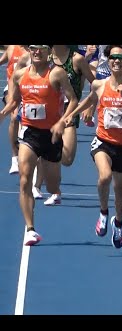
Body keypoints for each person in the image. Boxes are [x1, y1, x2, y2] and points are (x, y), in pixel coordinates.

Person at [63, 45, 122, 249]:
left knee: (121, 189)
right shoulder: (99, 84)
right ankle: (103, 212)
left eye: (121, 57)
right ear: (108, 60)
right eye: (113, 57)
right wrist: (72, 114)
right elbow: (90, 99)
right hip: (103, 141)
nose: (116, 60)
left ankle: (119, 223)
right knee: (105, 176)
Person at [0, 45, 78, 246]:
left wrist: (62, 121)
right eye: (33, 48)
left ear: (48, 52)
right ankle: (30, 229)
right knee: (25, 179)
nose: (37, 52)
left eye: (41, 48)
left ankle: (54, 188)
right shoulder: (19, 75)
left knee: (52, 185)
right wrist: (2, 113)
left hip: (51, 135)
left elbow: (73, 99)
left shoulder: (57, 74)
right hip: (30, 133)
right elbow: (14, 101)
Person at [33, 45, 96, 206]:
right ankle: (41, 187)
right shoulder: (45, 59)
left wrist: (90, 106)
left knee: (67, 158)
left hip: (68, 115)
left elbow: (96, 85)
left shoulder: (76, 60)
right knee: (42, 149)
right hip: (46, 115)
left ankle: (48, 164)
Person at [1, 45, 29, 174]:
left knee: (27, 123)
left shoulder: (37, 51)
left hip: (30, 89)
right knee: (14, 117)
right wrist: (12, 97)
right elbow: (2, 61)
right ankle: (14, 157)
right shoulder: (12, 49)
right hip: (13, 88)